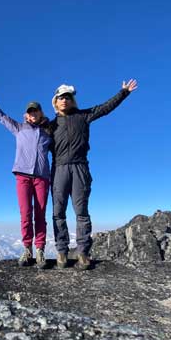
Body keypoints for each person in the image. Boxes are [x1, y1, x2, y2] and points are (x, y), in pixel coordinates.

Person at [50, 79, 138, 270]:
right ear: (55, 102)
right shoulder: (51, 125)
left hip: (80, 168)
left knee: (81, 212)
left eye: (67, 97)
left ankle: (83, 252)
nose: (64, 100)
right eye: (60, 98)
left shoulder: (83, 116)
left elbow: (105, 108)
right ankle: (62, 251)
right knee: (58, 213)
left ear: (72, 100)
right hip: (59, 169)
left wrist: (123, 92)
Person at [0, 86, 53, 269]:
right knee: (25, 214)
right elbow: (0, 116)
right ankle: (27, 249)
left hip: (42, 178)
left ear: (40, 113)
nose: (33, 114)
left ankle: (40, 250)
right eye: (30, 112)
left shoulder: (48, 133)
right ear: (26, 115)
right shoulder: (19, 128)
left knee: (40, 214)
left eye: (35, 111)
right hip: (22, 176)